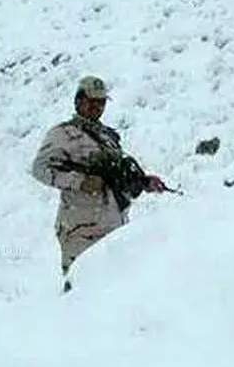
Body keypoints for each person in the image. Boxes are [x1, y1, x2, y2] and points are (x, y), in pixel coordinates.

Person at [31, 76, 166, 283]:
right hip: (81, 232)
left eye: (101, 102)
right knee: (79, 296)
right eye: (92, 101)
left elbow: (116, 175)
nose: (97, 107)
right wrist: (80, 181)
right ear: (79, 101)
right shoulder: (63, 134)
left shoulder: (107, 137)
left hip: (114, 229)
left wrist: (143, 182)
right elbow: (40, 169)